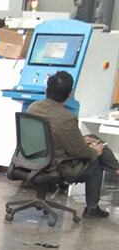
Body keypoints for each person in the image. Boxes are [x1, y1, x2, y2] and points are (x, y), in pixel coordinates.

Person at [27, 70, 119, 218]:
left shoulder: (33, 107)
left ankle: (116, 169)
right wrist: (95, 151)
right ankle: (92, 208)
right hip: (55, 166)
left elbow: (51, 135)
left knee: (92, 138)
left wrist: (82, 141)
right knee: (96, 160)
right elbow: (80, 152)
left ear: (46, 90)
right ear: (70, 94)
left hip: (32, 159)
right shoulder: (66, 118)